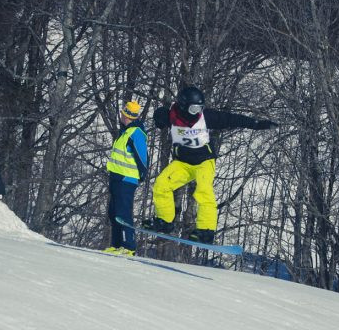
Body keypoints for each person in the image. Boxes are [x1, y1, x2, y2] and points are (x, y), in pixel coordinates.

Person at [143, 86, 278, 244]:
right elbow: (160, 116)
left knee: (203, 191)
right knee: (161, 184)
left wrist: (257, 124)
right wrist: (158, 117)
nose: (197, 112)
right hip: (183, 163)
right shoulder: (171, 116)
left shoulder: (205, 117)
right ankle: (164, 222)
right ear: (183, 106)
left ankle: (205, 231)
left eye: (200, 108)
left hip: (204, 162)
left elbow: (232, 119)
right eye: (194, 108)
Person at [105, 101, 148, 256]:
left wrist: (142, 174)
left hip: (126, 179)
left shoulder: (135, 132)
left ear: (127, 115)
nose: (121, 116)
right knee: (113, 212)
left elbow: (142, 157)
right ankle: (116, 245)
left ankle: (128, 247)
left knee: (123, 213)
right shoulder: (124, 132)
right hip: (116, 177)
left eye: (123, 113)